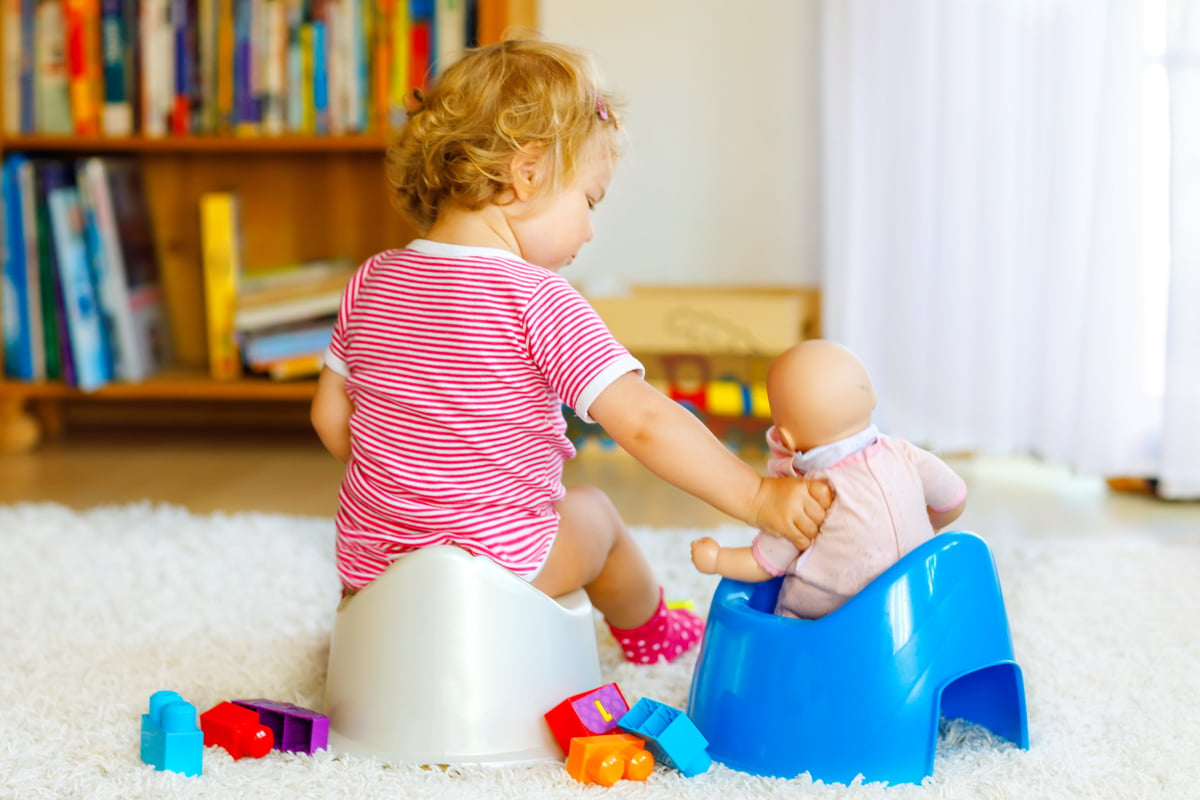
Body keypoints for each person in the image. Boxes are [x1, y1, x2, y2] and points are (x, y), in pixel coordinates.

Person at [309, 38, 832, 665]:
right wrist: (755, 496)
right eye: (588, 200)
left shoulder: (373, 279)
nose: (588, 228)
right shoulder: (537, 297)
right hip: (501, 575)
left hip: (372, 576)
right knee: (596, 514)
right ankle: (651, 633)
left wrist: (416, 477)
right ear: (526, 173)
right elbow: (643, 422)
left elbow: (331, 419)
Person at [691, 340, 967, 619]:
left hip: (831, 623)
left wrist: (716, 559)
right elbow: (954, 500)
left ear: (785, 438)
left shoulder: (810, 495)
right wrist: (924, 526)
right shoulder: (908, 454)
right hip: (913, 604)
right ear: (872, 397)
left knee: (784, 620)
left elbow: (764, 564)